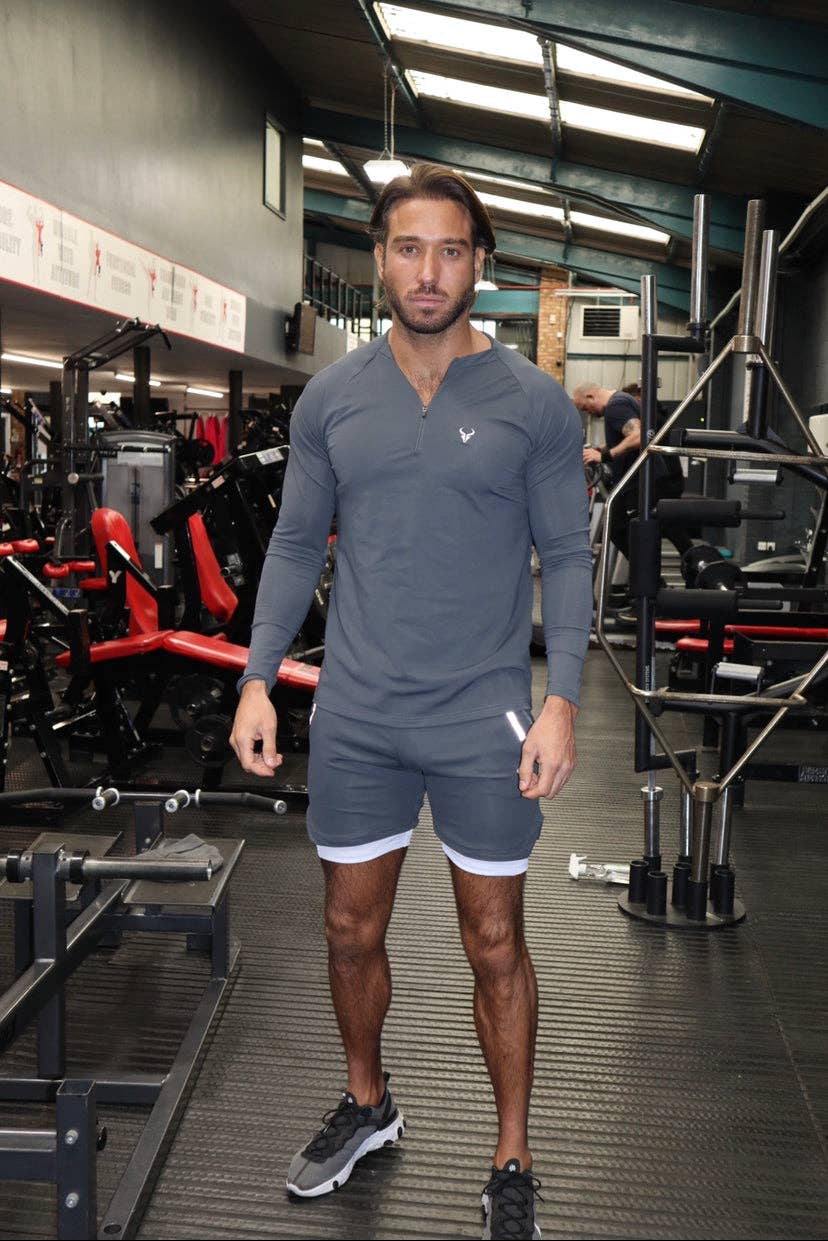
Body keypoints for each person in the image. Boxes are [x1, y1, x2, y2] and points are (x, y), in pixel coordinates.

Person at [230, 163, 593, 1240]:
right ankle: (368, 1101)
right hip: (359, 712)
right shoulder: (332, 398)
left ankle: (512, 1153)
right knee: (349, 927)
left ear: (479, 263)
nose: (428, 270)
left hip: (485, 716)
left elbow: (569, 554)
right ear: (380, 260)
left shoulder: (531, 401)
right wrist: (256, 676)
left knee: (496, 942)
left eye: (450, 249)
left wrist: (564, 700)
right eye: (407, 248)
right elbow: (294, 543)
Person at [573, 381, 692, 569]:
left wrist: (604, 456)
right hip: (644, 478)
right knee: (666, 527)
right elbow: (624, 439)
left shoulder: (615, 406)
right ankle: (664, 573)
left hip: (640, 480)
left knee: (617, 526)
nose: (589, 413)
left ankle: (649, 577)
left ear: (591, 396)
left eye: (585, 408)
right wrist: (599, 450)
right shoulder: (621, 400)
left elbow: (637, 436)